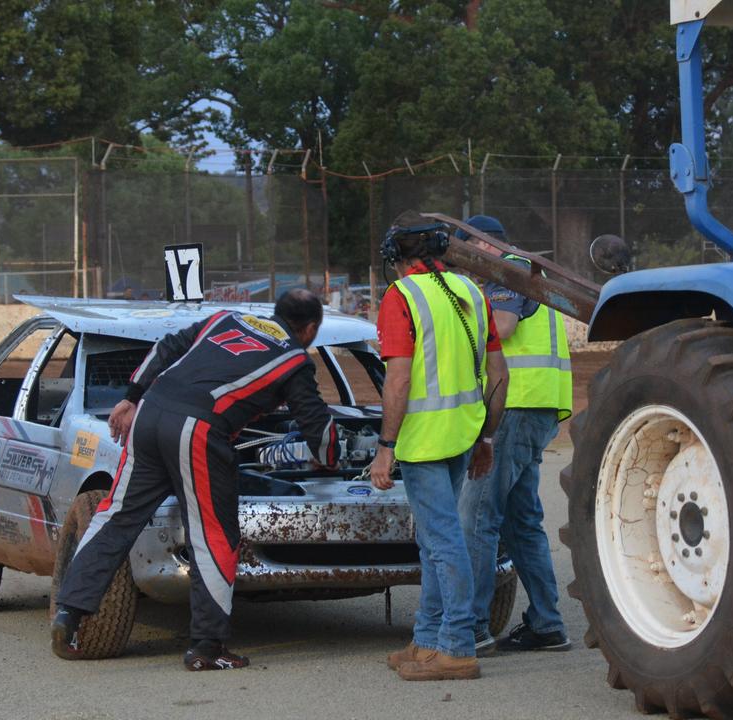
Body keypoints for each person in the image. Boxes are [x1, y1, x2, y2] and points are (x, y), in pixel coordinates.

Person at [51, 288, 339, 671]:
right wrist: (328, 458)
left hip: (149, 414)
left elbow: (166, 347)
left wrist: (132, 395)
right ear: (311, 329)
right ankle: (207, 646)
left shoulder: (226, 320)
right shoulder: (294, 360)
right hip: (198, 430)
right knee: (213, 536)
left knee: (116, 516)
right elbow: (317, 428)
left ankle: (68, 613)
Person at [369, 211, 508, 682]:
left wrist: (385, 445)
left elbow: (399, 378)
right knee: (434, 543)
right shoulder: (471, 291)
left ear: (398, 257)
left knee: (444, 543)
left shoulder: (401, 295)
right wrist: (486, 437)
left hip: (424, 441)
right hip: (463, 433)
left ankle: (457, 647)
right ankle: (428, 640)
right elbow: (499, 374)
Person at [453, 215, 573, 656]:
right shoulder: (526, 269)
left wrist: (451, 329)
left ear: (483, 246)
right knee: (522, 523)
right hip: (534, 406)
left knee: (477, 517)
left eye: (466, 253)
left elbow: (500, 327)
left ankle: (473, 627)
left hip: (515, 407)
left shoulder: (510, 268)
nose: (464, 266)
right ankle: (547, 624)